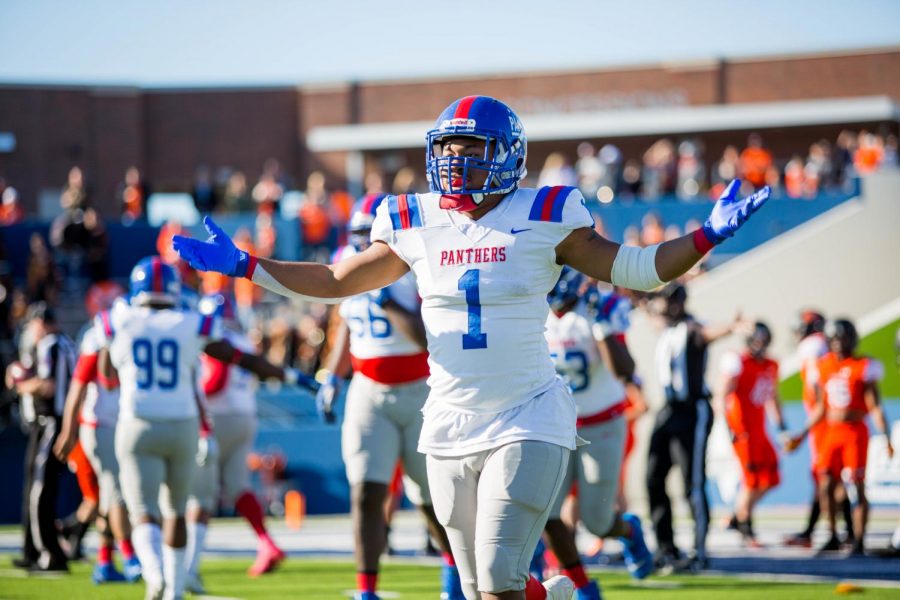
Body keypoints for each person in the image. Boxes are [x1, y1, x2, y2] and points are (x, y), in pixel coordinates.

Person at [173, 95, 769, 600]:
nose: (455, 161)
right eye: (448, 149)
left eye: (471, 148)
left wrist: (707, 235)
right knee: (486, 586)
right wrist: (246, 265)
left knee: (498, 574)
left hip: (527, 411)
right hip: (448, 421)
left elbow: (638, 268)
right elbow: (334, 281)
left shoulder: (545, 211)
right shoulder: (413, 218)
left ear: (507, 154)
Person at [93, 257, 280, 600]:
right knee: (177, 511)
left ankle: (154, 575)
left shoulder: (118, 319)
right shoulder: (194, 322)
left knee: (143, 512)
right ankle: (175, 590)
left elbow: (106, 378)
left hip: (138, 422)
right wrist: (279, 372)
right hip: (183, 424)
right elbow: (235, 357)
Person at [316, 193, 462, 600]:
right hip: (367, 389)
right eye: (360, 235)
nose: (365, 244)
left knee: (433, 498)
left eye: (371, 234)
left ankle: (453, 577)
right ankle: (367, 590)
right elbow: (348, 323)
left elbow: (426, 337)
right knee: (366, 492)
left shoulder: (416, 265)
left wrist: (389, 304)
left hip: (420, 388)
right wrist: (333, 375)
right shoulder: (347, 263)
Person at [186, 293, 319, 593]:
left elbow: (216, 382)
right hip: (244, 417)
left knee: (200, 496)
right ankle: (266, 543)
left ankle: (188, 568)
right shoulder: (243, 341)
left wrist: (187, 400)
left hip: (217, 419)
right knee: (238, 487)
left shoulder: (215, 340)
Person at [540, 267, 652, 600]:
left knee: (598, 522)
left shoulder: (601, 307)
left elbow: (624, 371)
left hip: (600, 422)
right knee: (544, 510)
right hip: (554, 424)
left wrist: (601, 324)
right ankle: (582, 583)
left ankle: (628, 528)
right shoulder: (533, 310)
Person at [647, 283, 747, 572]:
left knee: (692, 484)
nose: (663, 305)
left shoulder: (691, 328)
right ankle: (666, 547)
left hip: (691, 411)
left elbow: (707, 333)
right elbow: (649, 311)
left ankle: (699, 551)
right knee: (653, 478)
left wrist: (731, 326)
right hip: (666, 411)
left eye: (667, 301)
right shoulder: (665, 328)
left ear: (677, 302)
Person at [786, 319, 894, 556]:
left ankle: (858, 539)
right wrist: (801, 435)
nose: (837, 343)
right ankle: (833, 534)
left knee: (856, 485)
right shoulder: (824, 366)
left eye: (841, 338)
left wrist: (886, 436)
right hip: (832, 429)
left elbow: (874, 405)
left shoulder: (863, 366)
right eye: (833, 338)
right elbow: (821, 407)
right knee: (825, 483)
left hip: (854, 430)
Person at [53, 313, 143, 584]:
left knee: (108, 497)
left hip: (118, 425)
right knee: (116, 494)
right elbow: (77, 390)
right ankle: (130, 558)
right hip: (101, 426)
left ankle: (104, 561)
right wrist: (68, 432)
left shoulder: (129, 340)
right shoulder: (95, 345)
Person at [6, 302, 76, 572]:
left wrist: (19, 384)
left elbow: (47, 386)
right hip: (54, 423)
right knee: (38, 487)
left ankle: (49, 554)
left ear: (42, 323)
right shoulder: (64, 343)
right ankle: (33, 551)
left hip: (51, 422)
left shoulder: (50, 345)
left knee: (39, 490)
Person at [783, 310, 854, 548]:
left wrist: (803, 431)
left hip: (824, 421)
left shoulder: (812, 347)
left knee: (826, 477)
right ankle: (840, 532)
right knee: (832, 477)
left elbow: (817, 388)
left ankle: (836, 532)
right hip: (832, 418)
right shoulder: (825, 347)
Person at [713, 322, 786, 547]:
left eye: (763, 339)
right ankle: (746, 528)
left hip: (760, 430)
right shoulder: (739, 363)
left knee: (772, 477)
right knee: (751, 481)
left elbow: (772, 397)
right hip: (742, 432)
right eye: (757, 339)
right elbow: (720, 396)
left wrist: (782, 426)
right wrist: (727, 429)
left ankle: (737, 516)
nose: (760, 344)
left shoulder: (771, 365)